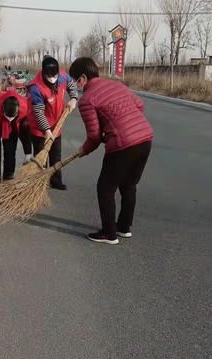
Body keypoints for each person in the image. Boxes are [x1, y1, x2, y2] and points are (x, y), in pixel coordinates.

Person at [69, 57, 153, 245]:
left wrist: (84, 150)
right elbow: (139, 105)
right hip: (145, 138)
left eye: (75, 81)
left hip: (123, 145)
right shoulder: (117, 85)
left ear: (83, 78)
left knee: (105, 188)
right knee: (129, 185)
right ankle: (124, 227)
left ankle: (108, 233)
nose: (76, 85)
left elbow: (94, 136)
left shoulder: (87, 100)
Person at [27, 56, 78, 190]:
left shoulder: (61, 76)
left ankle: (55, 181)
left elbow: (71, 84)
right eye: (49, 76)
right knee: (40, 156)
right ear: (43, 73)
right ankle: (39, 183)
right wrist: (47, 131)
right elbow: (38, 113)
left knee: (56, 154)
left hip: (57, 124)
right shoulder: (36, 87)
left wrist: (73, 98)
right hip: (39, 127)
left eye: (54, 75)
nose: (53, 78)